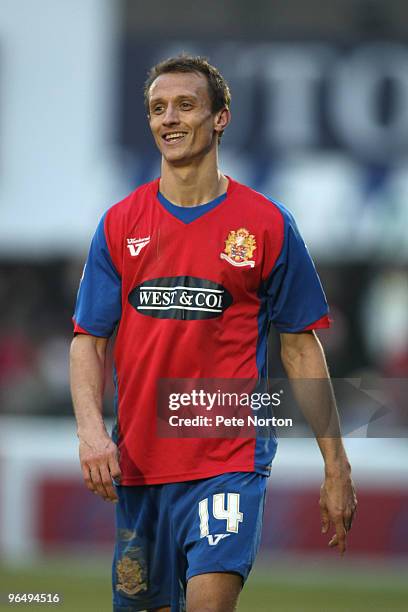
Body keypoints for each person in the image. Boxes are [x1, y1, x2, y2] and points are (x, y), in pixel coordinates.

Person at [70, 55, 357, 612]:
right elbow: (89, 340)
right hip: (142, 464)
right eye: (157, 108)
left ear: (221, 117)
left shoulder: (268, 223)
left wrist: (336, 465)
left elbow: (300, 346)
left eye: (185, 105)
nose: (168, 119)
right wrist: (90, 432)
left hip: (228, 457)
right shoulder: (118, 224)